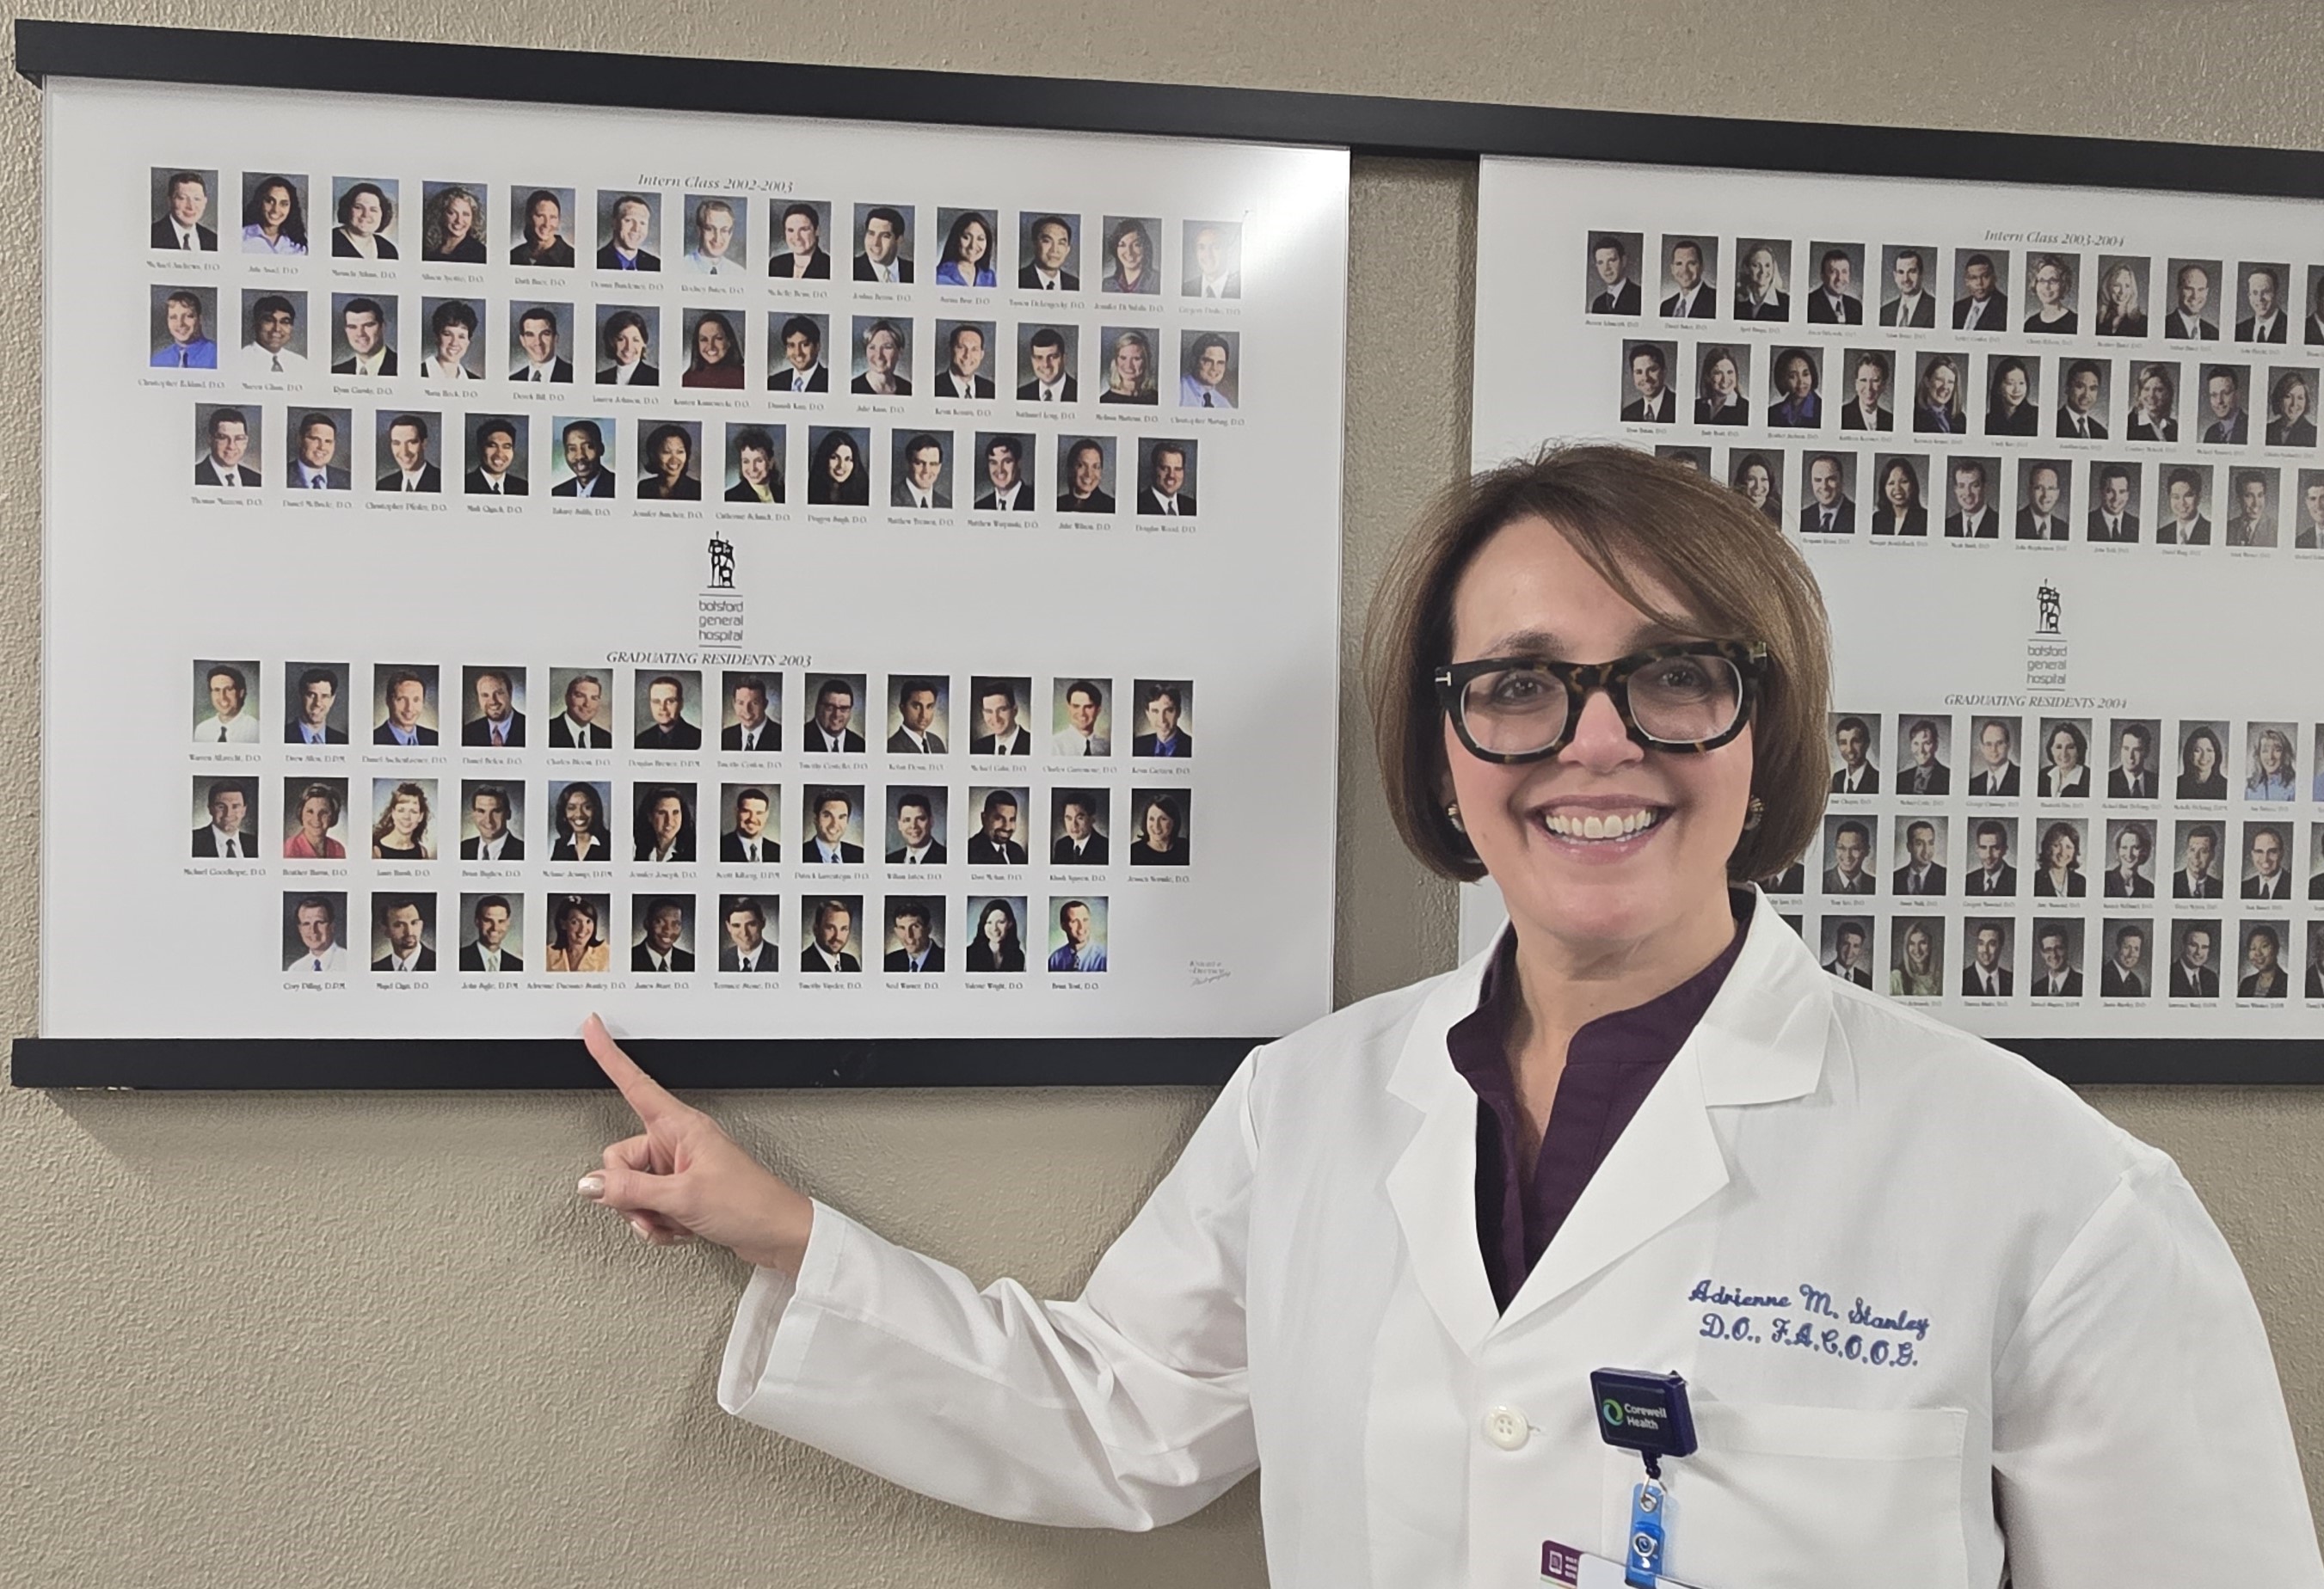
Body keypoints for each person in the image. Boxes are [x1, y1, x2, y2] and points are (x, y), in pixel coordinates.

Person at [572, 445, 2323, 1585]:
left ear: (1761, 730)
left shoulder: (2039, 1185)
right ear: (1440, 747)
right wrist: (783, 1231)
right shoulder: (1310, 1105)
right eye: (1516, 688)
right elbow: (1124, 1415)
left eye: (1675, 676)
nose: (1594, 741)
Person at [191, 778, 257, 859]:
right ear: (210, 809)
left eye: (235, 806)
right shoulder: (192, 840)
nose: (228, 814)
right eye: (221, 807)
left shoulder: (255, 843)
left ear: (244, 811)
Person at [243, 293, 307, 376]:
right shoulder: (241, 359)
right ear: (256, 324)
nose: (277, 329)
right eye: (269, 320)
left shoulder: (301, 363)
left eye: (285, 322)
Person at [376, 414, 440, 494]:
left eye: (411, 442)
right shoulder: (383, 485)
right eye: (397, 443)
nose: (404, 452)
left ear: (424, 443)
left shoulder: (441, 481)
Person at [330, 181, 397, 259]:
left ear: (383, 215)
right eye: (358, 207)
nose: (366, 214)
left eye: (373, 210)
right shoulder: (331, 241)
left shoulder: (388, 249)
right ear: (347, 210)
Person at [153, 290, 217, 370]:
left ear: (200, 319)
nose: (180, 324)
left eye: (188, 316)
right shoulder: (158, 360)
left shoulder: (216, 355)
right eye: (173, 317)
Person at [636, 674, 703, 751]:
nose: (662, 708)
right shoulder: (641, 740)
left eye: (670, 701)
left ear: (681, 704)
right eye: (656, 701)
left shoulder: (698, 738)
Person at [545, 894, 611, 972]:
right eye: (575, 922)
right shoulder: (548, 954)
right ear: (563, 924)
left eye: (588, 921)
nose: (583, 929)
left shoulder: (607, 953)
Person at [511, 188, 575, 267]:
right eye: (540, 216)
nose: (547, 224)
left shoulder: (571, 258)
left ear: (559, 220)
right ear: (528, 217)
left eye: (553, 217)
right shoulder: (515, 255)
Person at [421, 184, 485, 264]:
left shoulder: (479, 252)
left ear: (473, 218)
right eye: (452, 213)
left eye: (465, 214)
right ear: (441, 215)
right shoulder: (430, 248)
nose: (459, 220)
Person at [333, 298, 396, 378]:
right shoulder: (337, 371)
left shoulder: (401, 366)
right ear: (346, 330)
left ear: (382, 327)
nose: (360, 333)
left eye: (368, 325)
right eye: (352, 327)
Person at [548, 420, 612, 500]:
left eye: (588, 447)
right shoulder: (557, 493)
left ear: (601, 449)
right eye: (572, 449)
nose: (580, 456)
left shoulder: (616, 487)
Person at [154, 171, 217, 250]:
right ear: (170, 201)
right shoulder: (152, 235)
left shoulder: (213, 240)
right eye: (182, 198)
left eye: (197, 199)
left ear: (205, 202)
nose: (191, 206)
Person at [285, 895, 347, 976]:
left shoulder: (349, 962)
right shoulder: (295, 969)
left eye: (319, 923)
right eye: (306, 924)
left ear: (332, 926)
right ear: (300, 929)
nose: (313, 931)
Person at [461, 669, 526, 746]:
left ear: (510, 694)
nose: (493, 701)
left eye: (499, 693)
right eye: (485, 695)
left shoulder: (528, 727)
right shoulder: (468, 732)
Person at [370, 781, 433, 860]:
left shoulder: (422, 852)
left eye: (413, 811)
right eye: (401, 810)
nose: (406, 817)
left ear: (421, 816)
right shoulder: (375, 851)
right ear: (393, 813)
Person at [464, 418, 526, 497]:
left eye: (506, 447)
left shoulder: (523, 487)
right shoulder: (465, 484)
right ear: (480, 449)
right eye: (492, 446)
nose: (499, 454)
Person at [683, 312, 746, 390]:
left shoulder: (744, 377)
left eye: (718, 338)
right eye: (704, 339)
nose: (711, 346)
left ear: (729, 342)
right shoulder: (688, 379)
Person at [598, 194, 661, 272]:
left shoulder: (656, 264)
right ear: (614, 223)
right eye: (629, 221)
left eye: (642, 223)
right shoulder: (598, 261)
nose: (636, 229)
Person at [460, 895, 523, 973]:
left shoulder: (518, 965)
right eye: (488, 921)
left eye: (501, 921)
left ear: (508, 923)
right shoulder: (459, 959)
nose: (495, 928)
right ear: (477, 921)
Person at [194, 408, 255, 488]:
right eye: (223, 438)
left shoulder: (256, 479)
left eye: (239, 438)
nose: (231, 446)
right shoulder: (194, 476)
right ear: (210, 440)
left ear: (246, 441)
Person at [462, 783, 523, 862]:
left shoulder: (523, 851)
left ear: (508, 814)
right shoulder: (463, 848)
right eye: (481, 811)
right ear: (473, 814)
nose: (488, 820)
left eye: (496, 811)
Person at [639, 424, 702, 501]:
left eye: (680, 452)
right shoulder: (643, 487)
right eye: (666, 452)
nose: (674, 459)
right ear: (654, 455)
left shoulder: (697, 489)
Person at [372, 896, 435, 972]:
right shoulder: (376, 968)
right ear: (386, 930)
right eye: (399, 925)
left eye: (414, 923)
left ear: (421, 925)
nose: (409, 932)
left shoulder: (437, 962)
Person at [512, 306, 574, 384]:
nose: (538, 342)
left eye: (545, 334)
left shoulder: (572, 375)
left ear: (555, 338)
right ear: (522, 340)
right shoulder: (514, 378)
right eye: (530, 335)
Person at [373, 669, 437, 745]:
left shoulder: (434, 738)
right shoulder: (375, 739)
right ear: (388, 701)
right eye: (402, 700)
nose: (409, 708)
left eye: (416, 700)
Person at [420, 300, 478, 381]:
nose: (454, 343)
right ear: (437, 337)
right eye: (447, 334)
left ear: (468, 342)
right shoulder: (418, 373)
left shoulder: (475, 380)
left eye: (461, 336)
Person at [550, 782, 609, 862]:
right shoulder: (560, 846)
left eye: (587, 807)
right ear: (564, 814)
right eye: (571, 808)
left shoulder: (610, 843)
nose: (579, 814)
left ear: (596, 810)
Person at [598, 309, 658, 387]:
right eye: (621, 339)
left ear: (644, 343)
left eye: (635, 340)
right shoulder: (599, 378)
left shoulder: (656, 377)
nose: (628, 347)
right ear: (611, 342)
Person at [808, 430, 870, 506]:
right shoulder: (809, 491)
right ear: (824, 459)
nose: (841, 466)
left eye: (847, 459)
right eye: (834, 458)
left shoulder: (864, 494)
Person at [851, 319, 911, 397]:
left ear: (900, 352)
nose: (879, 356)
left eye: (887, 347)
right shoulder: (853, 388)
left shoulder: (908, 388)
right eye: (872, 347)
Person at [969, 680, 1031, 756]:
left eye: (1002, 710)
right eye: (989, 711)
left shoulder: (1032, 744)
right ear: (983, 713)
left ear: (1015, 711)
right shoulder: (977, 747)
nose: (996, 718)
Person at [770, 202, 831, 279]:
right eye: (791, 230)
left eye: (803, 230)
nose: (797, 237)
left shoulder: (829, 266)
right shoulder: (776, 264)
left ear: (817, 231)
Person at [934, 324, 996, 400]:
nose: (967, 355)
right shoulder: (934, 386)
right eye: (961, 348)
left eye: (974, 349)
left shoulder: (991, 389)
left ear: (982, 354)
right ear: (950, 350)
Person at [286, 666, 345, 744]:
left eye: (324, 696)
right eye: (312, 695)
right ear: (300, 696)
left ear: (332, 700)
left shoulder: (342, 740)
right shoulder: (284, 736)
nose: (317, 703)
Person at [632, 899, 695, 972]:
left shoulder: (690, 961)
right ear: (647, 924)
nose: (668, 930)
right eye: (660, 922)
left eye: (676, 924)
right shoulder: (630, 959)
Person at [936, 212, 996, 287]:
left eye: (980, 239)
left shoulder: (990, 278)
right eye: (966, 237)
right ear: (956, 239)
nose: (973, 245)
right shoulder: (940, 275)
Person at [804, 678, 865, 753]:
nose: (836, 714)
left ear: (850, 711)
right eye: (830, 707)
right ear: (817, 707)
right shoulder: (801, 738)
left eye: (843, 708)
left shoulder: (860, 745)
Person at [852, 206, 912, 284]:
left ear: (899, 240)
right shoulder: (853, 268)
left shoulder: (912, 270)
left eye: (884, 236)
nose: (875, 243)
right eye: (871, 234)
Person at [726, 427, 784, 506]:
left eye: (759, 461)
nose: (752, 468)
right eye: (746, 461)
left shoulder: (783, 492)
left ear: (770, 462)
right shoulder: (730, 497)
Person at [1100, 218, 1159, 296]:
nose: (1129, 252)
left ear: (1145, 247)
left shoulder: (1158, 282)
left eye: (1136, 245)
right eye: (1122, 245)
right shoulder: (1107, 284)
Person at [963, 899, 1025, 972]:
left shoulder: (1018, 956)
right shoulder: (969, 954)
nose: (994, 928)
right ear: (983, 925)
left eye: (1001, 922)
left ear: (1010, 923)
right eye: (989, 922)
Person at [1798, 452, 1853, 534]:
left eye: (1831, 479)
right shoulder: (1803, 517)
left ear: (1841, 481)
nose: (1824, 486)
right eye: (1818, 480)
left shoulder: (1856, 516)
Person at [684, 198, 742, 276]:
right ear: (699, 231)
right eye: (710, 229)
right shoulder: (682, 266)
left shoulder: (739, 273)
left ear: (730, 234)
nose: (717, 238)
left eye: (724, 230)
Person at [800, 899, 861, 972]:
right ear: (816, 929)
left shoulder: (851, 963)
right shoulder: (802, 963)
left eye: (844, 929)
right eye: (830, 928)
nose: (837, 937)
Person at [885, 678, 944, 755]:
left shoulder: (937, 742)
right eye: (917, 706)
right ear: (902, 708)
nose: (924, 714)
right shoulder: (892, 746)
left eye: (929, 707)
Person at [1939, 457, 1995, 538]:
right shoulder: (1946, 526)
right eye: (1961, 486)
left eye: (1974, 486)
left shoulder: (2000, 524)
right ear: (1956, 490)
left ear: (1985, 488)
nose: (1968, 493)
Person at [1878, 247, 1933, 327]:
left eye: (1912, 272)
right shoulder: (1884, 312)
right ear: (1895, 276)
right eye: (1901, 272)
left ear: (1921, 274)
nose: (1906, 279)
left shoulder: (1935, 309)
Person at [1871, 457, 1927, 536]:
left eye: (1904, 482)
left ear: (1913, 485)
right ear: (1884, 488)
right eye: (1891, 483)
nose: (1897, 489)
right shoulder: (1877, 519)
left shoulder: (1926, 519)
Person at [1046, 899, 1108, 971]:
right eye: (1074, 921)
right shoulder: (1054, 960)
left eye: (1085, 920)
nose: (1081, 928)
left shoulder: (1105, 958)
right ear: (1063, 926)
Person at [1132, 683, 1191, 757]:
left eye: (1168, 711)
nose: (1162, 719)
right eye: (1155, 711)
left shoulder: (1192, 747)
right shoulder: (1137, 745)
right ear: (1148, 714)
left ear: (1178, 712)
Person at [1128, 793, 1189, 867]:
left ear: (1174, 821)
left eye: (1163, 819)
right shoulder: (1134, 851)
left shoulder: (1186, 847)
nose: (1156, 826)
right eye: (1151, 819)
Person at [886, 792, 946, 865]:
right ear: (899, 825)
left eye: (920, 819)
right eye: (907, 820)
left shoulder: (945, 858)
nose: (913, 826)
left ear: (931, 821)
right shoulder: (890, 859)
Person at [1586, 234, 1641, 315]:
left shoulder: (1639, 297)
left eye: (1611, 260)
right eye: (1601, 262)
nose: (1606, 268)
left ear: (1624, 261)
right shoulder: (1598, 303)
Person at [1100, 328, 1158, 405]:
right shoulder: (1104, 401)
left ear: (1146, 362)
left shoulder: (1156, 399)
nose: (1129, 365)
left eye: (1136, 358)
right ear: (1116, 361)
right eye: (1123, 358)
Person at [1051, 680, 1109, 756]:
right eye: (1076, 706)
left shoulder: (1106, 747)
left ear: (1098, 710)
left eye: (1088, 707)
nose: (1082, 713)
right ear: (1068, 708)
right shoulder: (1054, 746)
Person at [1804, 246, 1860, 323]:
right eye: (1833, 272)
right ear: (1822, 276)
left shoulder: (1856, 306)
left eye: (1844, 272)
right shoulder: (1808, 304)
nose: (1839, 278)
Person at [1619, 345, 1674, 424]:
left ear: (1664, 372)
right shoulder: (1627, 413)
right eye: (1639, 372)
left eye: (1652, 370)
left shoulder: (1679, 406)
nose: (1645, 378)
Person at [1659, 238, 1713, 318]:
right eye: (1679, 264)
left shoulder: (1716, 302)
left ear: (1702, 267)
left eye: (1691, 263)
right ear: (1672, 269)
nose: (1685, 270)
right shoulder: (1665, 307)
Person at [1021, 215, 1079, 291]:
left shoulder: (1075, 284)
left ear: (1067, 250)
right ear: (1035, 245)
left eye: (1061, 243)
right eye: (1047, 241)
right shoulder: (1019, 279)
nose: (1054, 250)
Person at [883, 901, 944, 972]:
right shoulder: (889, 962)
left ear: (928, 929)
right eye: (902, 928)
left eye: (914, 927)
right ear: (896, 931)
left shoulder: (945, 960)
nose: (909, 936)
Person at [1837, 350, 1891, 431]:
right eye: (1863, 380)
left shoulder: (1890, 420)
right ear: (1856, 385)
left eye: (1875, 380)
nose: (1869, 388)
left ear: (1883, 385)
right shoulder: (1841, 416)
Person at [1137, 443, 1195, 517]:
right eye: (1165, 468)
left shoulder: (1192, 506)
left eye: (1177, 469)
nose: (1171, 475)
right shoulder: (1138, 504)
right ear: (1153, 469)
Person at [968, 789, 1026, 864]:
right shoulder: (970, 851)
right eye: (999, 818)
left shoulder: (1017, 851)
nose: (1007, 827)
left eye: (1012, 820)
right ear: (984, 818)